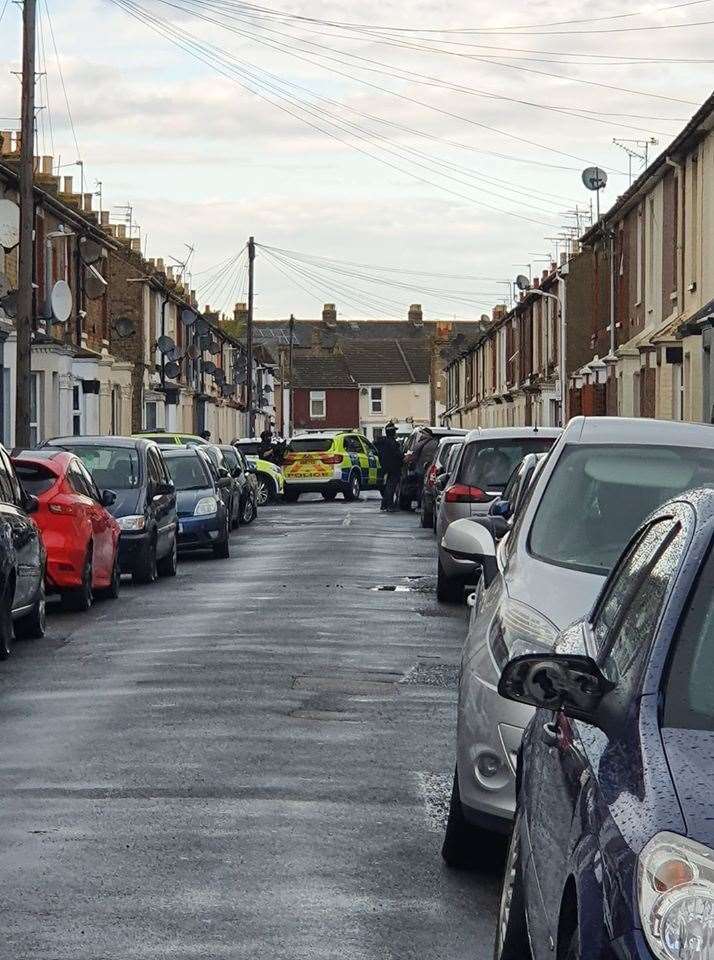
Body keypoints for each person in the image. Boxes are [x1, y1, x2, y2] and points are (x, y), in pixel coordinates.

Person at [375, 422, 404, 512]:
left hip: (386, 466)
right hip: (393, 467)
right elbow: (396, 454)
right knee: (391, 487)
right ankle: (389, 505)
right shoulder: (391, 442)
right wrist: (403, 456)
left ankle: (385, 504)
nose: (395, 433)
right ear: (392, 432)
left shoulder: (384, 442)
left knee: (388, 486)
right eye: (394, 431)